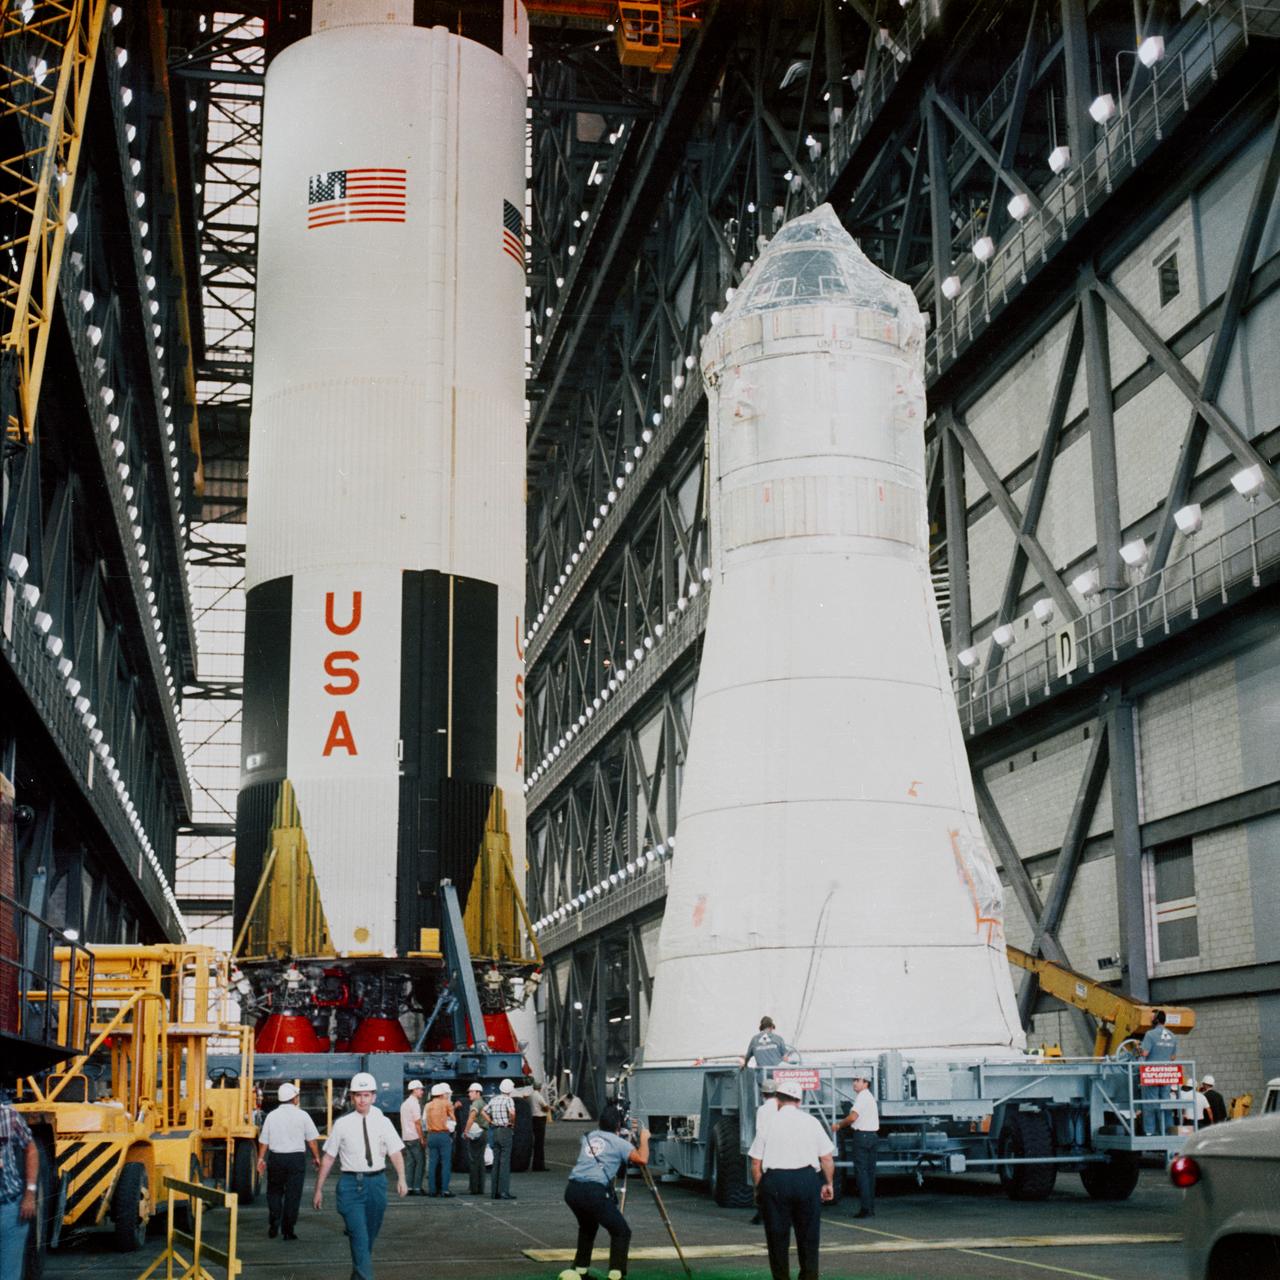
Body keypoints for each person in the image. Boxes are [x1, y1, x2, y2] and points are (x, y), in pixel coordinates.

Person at [312, 1072, 407, 1280]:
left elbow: (395, 1152)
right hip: (350, 1187)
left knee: (367, 1241)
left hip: (377, 1186)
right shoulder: (342, 1124)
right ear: (352, 1097)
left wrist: (401, 1178)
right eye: (358, 1095)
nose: (362, 1100)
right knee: (360, 1238)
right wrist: (318, 1189)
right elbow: (328, 1158)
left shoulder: (383, 1122)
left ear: (374, 1096)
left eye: (366, 1095)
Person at [748, 1078, 835, 1280]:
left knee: (777, 1237)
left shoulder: (768, 1123)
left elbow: (755, 1162)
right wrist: (828, 1183)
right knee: (808, 1236)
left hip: (776, 1182)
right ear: (799, 1101)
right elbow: (827, 1157)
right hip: (806, 1180)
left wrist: (759, 1188)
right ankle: (809, 1276)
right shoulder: (811, 1122)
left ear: (778, 1100)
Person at [559, 1103, 649, 1280]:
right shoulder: (620, 1143)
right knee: (621, 1231)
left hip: (573, 1190)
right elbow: (642, 1159)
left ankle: (580, 1271)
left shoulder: (589, 1137)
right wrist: (644, 1138)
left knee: (588, 1227)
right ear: (618, 1125)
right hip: (593, 1192)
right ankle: (616, 1274)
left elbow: (604, 1143)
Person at [256, 1082, 320, 1239]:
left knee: (274, 1192)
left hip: (276, 1158)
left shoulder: (271, 1116)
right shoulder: (303, 1115)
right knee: (293, 1195)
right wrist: (316, 1157)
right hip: (296, 1159)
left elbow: (264, 1141)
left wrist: (260, 1159)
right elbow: (311, 1140)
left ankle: (274, 1223)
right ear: (294, 1098)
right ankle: (288, 1230)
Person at [0, 1098, 39, 1280]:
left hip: (9, 1209)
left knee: (9, 1275)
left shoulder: (8, 1116)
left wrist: (30, 1193)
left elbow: (31, 1149)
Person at [833, 1072, 879, 1218]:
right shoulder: (869, 1097)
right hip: (872, 1136)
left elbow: (853, 1117)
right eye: (854, 1080)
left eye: (857, 1080)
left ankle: (865, 1209)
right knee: (870, 1173)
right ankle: (870, 1207)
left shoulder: (862, 1097)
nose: (854, 1083)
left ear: (866, 1083)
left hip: (862, 1136)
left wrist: (839, 1125)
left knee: (862, 1173)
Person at [1139, 1010, 1178, 1136]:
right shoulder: (1173, 1036)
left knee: (1150, 1102)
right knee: (1165, 1102)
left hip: (1151, 1074)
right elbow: (1173, 1058)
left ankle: (1150, 1131)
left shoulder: (1150, 1034)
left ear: (1155, 1020)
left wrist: (1138, 1049)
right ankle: (1167, 1130)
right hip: (1166, 1074)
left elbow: (1144, 1053)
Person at [749, 1079, 779, 1225]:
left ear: (763, 1094)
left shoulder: (762, 1110)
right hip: (781, 1146)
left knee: (763, 1180)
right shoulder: (780, 1106)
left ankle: (761, 1213)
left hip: (766, 1146)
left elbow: (759, 1130)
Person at [484, 1078, 518, 1201]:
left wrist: (491, 1121)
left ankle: (495, 1192)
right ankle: (504, 1192)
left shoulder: (494, 1099)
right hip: (505, 1130)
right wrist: (511, 1123)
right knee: (505, 1163)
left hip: (495, 1130)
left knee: (496, 1162)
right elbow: (512, 1113)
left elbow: (483, 1111)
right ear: (510, 1090)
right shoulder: (509, 1100)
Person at [424, 1082, 456, 1197]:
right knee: (445, 1164)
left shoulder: (428, 1105)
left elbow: (424, 1121)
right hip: (443, 1135)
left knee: (433, 1164)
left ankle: (432, 1190)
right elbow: (453, 1120)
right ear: (442, 1094)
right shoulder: (446, 1103)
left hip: (431, 1135)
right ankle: (445, 1190)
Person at [399, 1080, 426, 1195]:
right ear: (414, 1090)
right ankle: (417, 1188)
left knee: (410, 1163)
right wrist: (422, 1138)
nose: (422, 1092)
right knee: (420, 1162)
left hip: (406, 1137)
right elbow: (417, 1123)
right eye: (420, 1089)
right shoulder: (414, 1104)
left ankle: (409, 1187)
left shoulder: (405, 1103)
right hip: (415, 1137)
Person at [463, 1083, 489, 1194]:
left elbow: (471, 1117)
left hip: (477, 1134)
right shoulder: (483, 1102)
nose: (469, 1094)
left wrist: (466, 1131)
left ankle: (473, 1188)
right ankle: (480, 1188)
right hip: (484, 1133)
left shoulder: (476, 1103)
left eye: (471, 1091)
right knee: (480, 1161)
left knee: (473, 1161)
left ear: (477, 1092)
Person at [528, 1080, 550, 1171]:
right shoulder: (539, 1096)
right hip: (540, 1119)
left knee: (536, 1142)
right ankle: (539, 1165)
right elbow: (545, 1107)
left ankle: (535, 1164)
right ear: (540, 1088)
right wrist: (548, 1108)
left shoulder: (530, 1096)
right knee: (540, 1143)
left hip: (533, 1119)